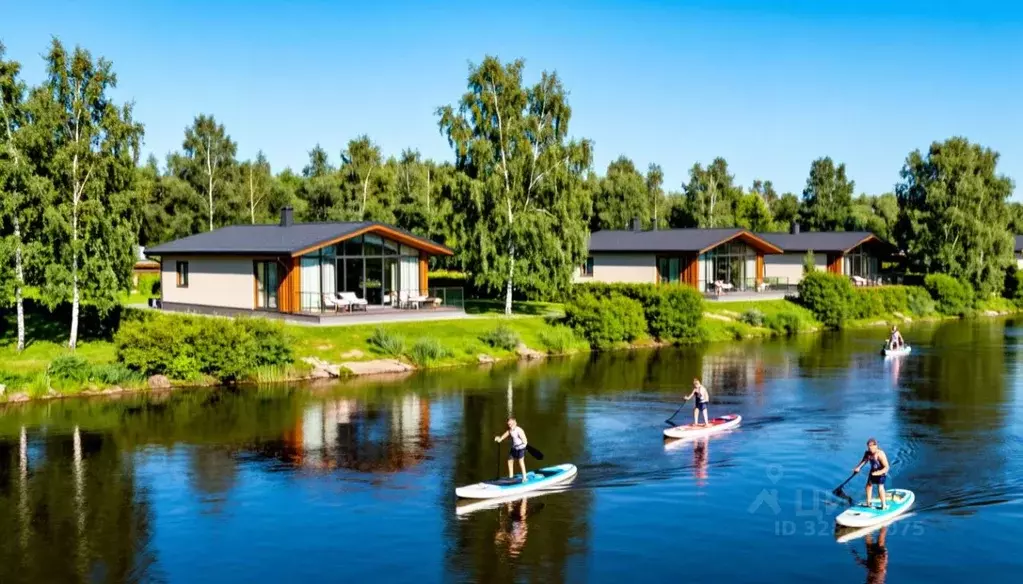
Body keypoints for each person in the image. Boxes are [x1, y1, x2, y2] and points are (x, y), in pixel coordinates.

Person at [853, 438, 890, 510]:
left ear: (875, 446)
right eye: (868, 447)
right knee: (868, 486)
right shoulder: (867, 453)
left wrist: (878, 473)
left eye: (871, 447)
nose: (870, 449)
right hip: (873, 472)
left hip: (881, 472)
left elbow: (887, 467)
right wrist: (858, 468)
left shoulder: (880, 454)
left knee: (880, 487)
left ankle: (884, 505)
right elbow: (864, 461)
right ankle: (868, 503)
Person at [495, 417, 529, 482]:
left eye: (510, 424)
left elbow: (525, 440)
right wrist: (500, 439)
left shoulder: (519, 430)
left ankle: (524, 478)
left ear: (515, 423)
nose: (509, 426)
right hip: (514, 448)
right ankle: (511, 477)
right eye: (508, 424)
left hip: (521, 448)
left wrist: (523, 446)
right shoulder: (510, 430)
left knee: (520, 461)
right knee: (510, 460)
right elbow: (507, 433)